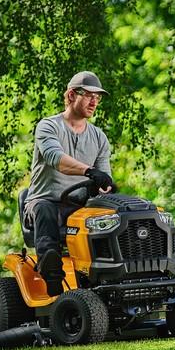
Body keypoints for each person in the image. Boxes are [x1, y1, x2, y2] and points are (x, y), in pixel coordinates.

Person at [25, 70, 115, 294]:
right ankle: (52, 275)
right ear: (71, 95)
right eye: (89, 95)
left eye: (98, 97)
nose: (94, 101)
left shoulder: (99, 137)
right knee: (44, 209)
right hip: (43, 203)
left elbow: (104, 181)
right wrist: (89, 171)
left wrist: (106, 187)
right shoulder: (48, 126)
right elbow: (57, 160)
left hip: (79, 208)